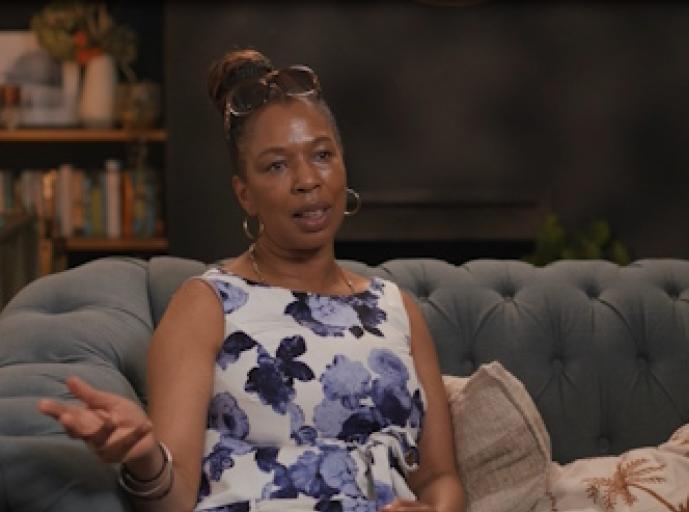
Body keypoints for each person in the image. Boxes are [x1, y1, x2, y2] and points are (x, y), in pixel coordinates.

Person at [38, 49, 465, 512]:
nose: (307, 180)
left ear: (343, 166)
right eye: (276, 165)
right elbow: (174, 495)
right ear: (245, 195)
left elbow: (441, 479)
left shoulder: (397, 308)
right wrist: (143, 457)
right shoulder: (208, 303)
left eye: (321, 155)